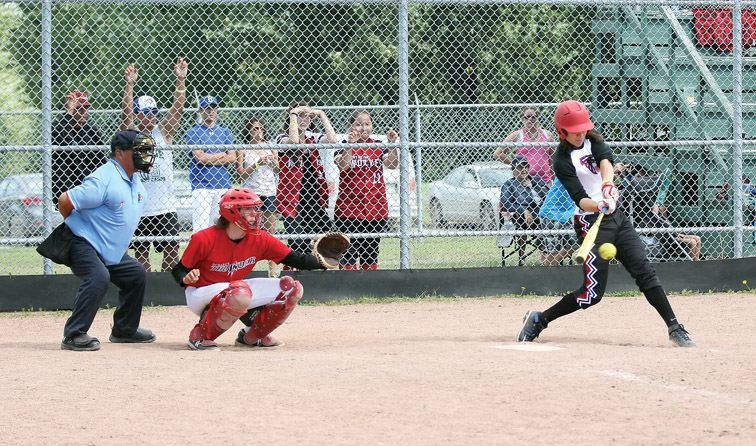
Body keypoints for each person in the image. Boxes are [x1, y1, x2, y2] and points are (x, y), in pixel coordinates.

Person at [516, 100, 695, 347]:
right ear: (562, 131)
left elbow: (605, 163)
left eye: (582, 128)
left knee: (645, 271)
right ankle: (539, 319)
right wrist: (598, 204)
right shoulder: (561, 160)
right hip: (590, 223)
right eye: (574, 130)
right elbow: (580, 198)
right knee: (591, 295)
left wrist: (608, 185)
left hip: (617, 217)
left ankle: (675, 328)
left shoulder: (593, 140)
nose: (580, 133)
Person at [172, 187, 339, 350]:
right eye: (248, 209)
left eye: (255, 209)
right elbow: (178, 269)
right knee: (240, 293)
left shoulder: (259, 238)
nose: (255, 214)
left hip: (236, 289)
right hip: (201, 292)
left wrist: (323, 261)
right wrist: (185, 278)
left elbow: (295, 259)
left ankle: (252, 336)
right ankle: (200, 336)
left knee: (291, 289)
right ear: (231, 212)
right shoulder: (204, 238)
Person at [56, 129, 157, 351]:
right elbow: (65, 200)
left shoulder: (134, 180)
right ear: (119, 153)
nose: (146, 155)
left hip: (107, 248)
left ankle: (124, 330)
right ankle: (74, 334)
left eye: (147, 150)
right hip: (81, 242)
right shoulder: (104, 178)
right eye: (139, 151)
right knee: (98, 276)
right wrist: (80, 228)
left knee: (135, 274)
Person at [120, 58, 188, 271]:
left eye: (153, 112)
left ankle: (166, 288)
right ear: (138, 114)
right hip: (141, 206)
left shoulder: (163, 133)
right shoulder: (133, 135)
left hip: (165, 206)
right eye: (145, 112)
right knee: (141, 253)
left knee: (171, 250)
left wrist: (180, 82)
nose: (151, 116)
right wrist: (129, 86)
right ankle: (146, 290)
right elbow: (125, 116)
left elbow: (177, 111)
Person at [334, 110, 399, 270]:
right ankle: (348, 286)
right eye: (358, 124)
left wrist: (391, 146)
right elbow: (343, 166)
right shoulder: (342, 144)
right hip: (349, 209)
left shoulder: (377, 145)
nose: (363, 128)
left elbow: (392, 164)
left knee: (370, 251)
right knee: (348, 251)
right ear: (350, 126)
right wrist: (351, 145)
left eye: (367, 124)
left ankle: (368, 284)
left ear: (372, 126)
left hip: (375, 208)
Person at [275, 102, 337, 257]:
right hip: (292, 200)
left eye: (307, 116)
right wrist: (293, 115)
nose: (304, 120)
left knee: (324, 240)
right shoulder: (281, 138)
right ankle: (294, 271)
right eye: (300, 116)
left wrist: (321, 114)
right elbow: (294, 142)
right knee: (297, 242)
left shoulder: (312, 137)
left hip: (313, 198)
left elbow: (333, 139)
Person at [615, 163, 701, 261]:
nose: (641, 178)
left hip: (663, 226)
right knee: (693, 242)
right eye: (638, 176)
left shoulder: (648, 196)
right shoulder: (631, 195)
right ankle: (692, 268)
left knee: (697, 239)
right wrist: (619, 173)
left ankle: (697, 267)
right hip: (654, 230)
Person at [187, 95, 236, 232]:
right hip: (201, 185)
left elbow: (232, 158)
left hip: (222, 184)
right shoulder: (193, 132)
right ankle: (201, 254)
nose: (211, 111)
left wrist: (209, 156)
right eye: (207, 108)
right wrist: (221, 154)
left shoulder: (225, 132)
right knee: (201, 229)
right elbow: (200, 159)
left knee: (219, 228)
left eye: (213, 108)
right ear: (201, 111)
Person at [51, 90, 106, 203]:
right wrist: (69, 112)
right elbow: (63, 138)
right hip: (66, 188)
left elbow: (101, 160)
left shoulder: (92, 131)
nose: (84, 112)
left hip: (89, 187)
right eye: (79, 109)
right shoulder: (60, 127)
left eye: (86, 108)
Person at [499, 155, 548, 266]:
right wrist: (523, 210)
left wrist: (532, 186)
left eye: (526, 166)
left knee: (552, 221)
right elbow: (505, 204)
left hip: (542, 214)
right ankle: (522, 257)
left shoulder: (536, 181)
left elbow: (548, 196)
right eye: (520, 167)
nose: (524, 170)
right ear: (513, 170)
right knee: (522, 221)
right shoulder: (509, 184)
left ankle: (546, 253)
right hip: (521, 218)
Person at [236, 116, 278, 234]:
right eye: (255, 129)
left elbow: (279, 170)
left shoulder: (270, 146)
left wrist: (273, 162)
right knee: (251, 229)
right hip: (251, 193)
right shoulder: (243, 149)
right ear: (248, 131)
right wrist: (257, 164)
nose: (258, 131)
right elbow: (240, 175)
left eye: (261, 128)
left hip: (269, 191)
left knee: (270, 230)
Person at [493, 106, 555, 183]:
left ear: (537, 118)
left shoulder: (547, 135)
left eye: (533, 117)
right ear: (522, 119)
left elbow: (552, 159)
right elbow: (497, 154)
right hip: (525, 181)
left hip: (545, 181)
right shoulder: (517, 135)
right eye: (527, 117)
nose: (530, 119)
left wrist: (554, 178)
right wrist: (517, 165)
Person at [538, 178, 579, 266]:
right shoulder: (568, 168)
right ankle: (547, 270)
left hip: (567, 214)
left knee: (575, 242)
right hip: (552, 212)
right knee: (552, 252)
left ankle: (550, 265)